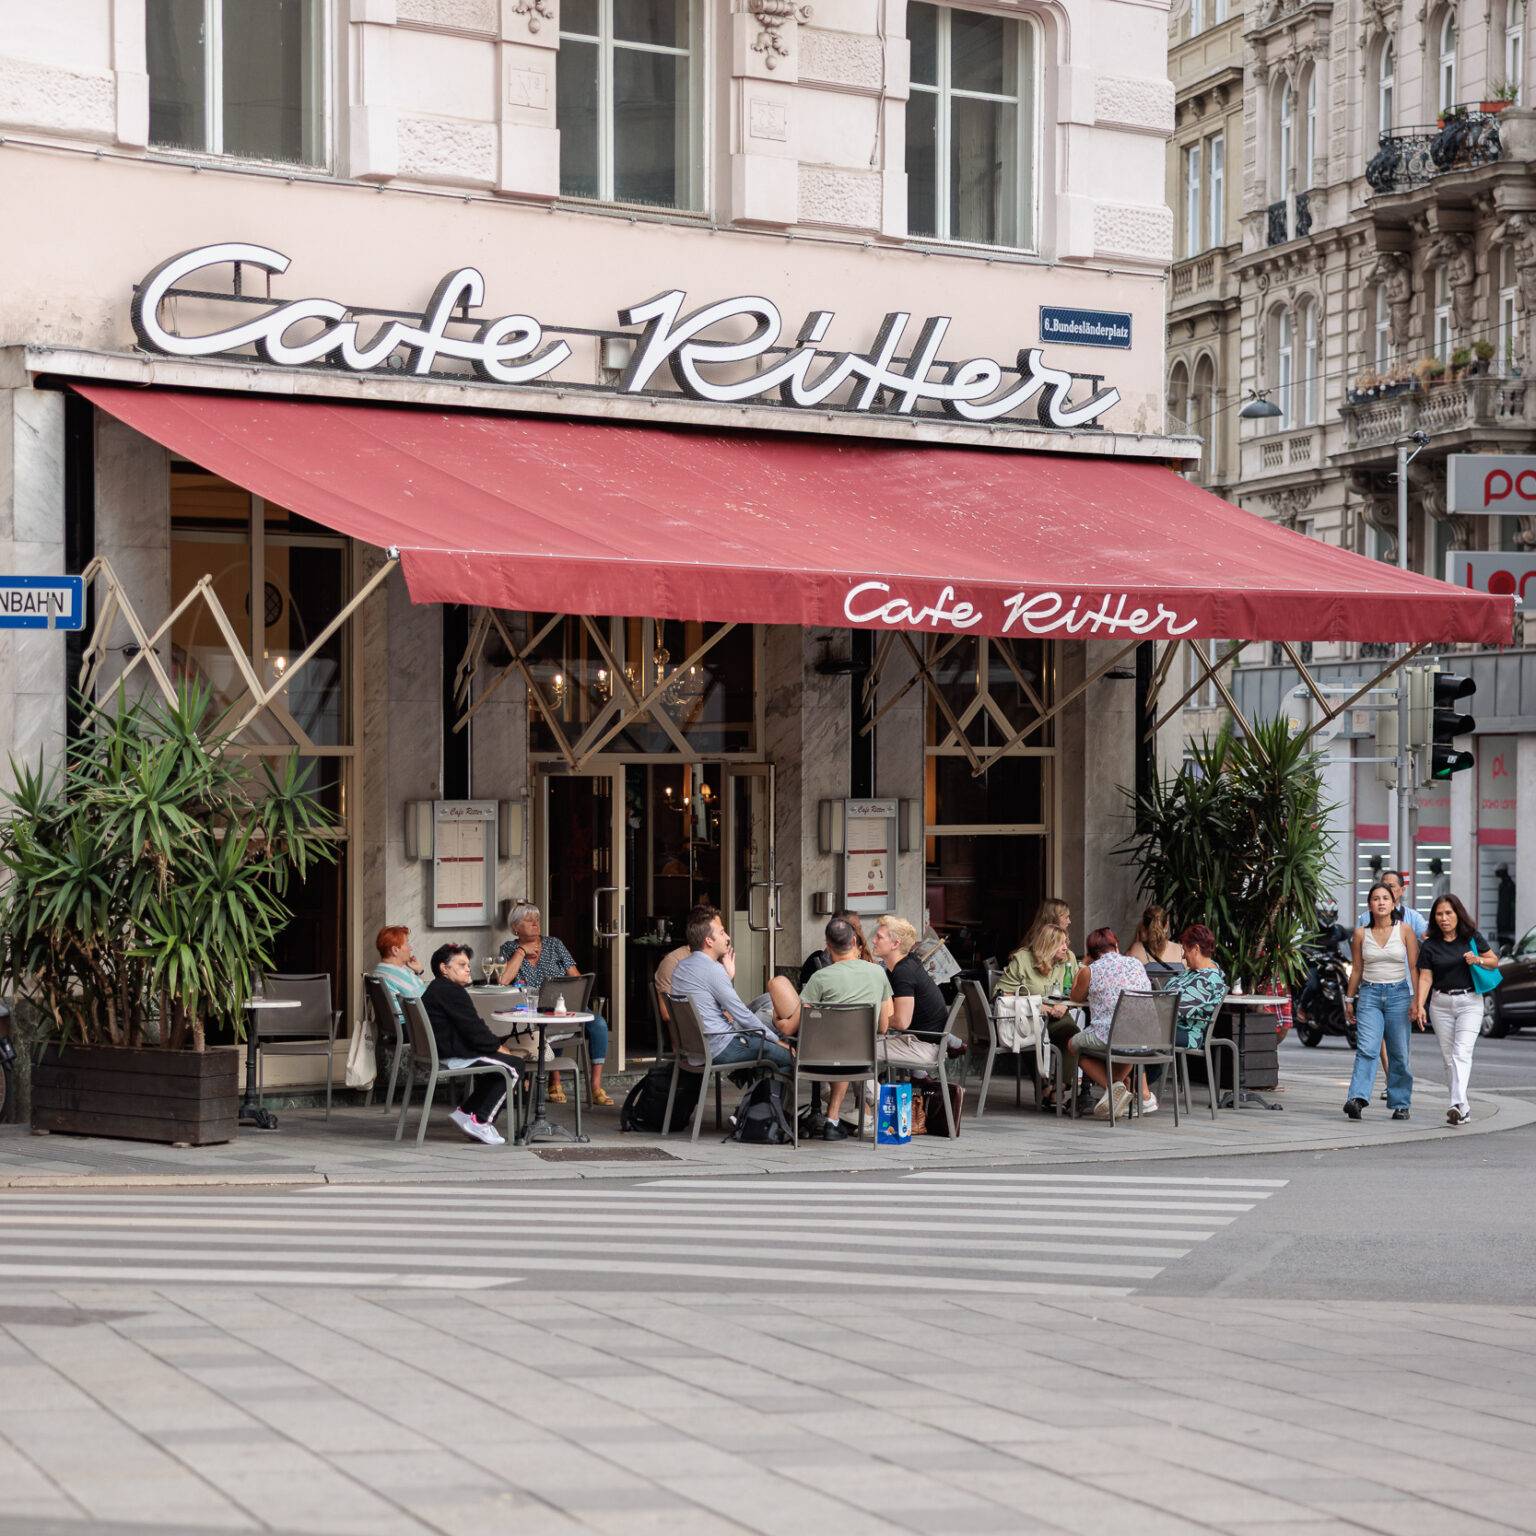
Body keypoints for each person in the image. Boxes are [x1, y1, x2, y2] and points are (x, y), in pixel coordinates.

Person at [497, 900, 612, 1107]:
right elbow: (504, 980)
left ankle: (595, 1086)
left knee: (600, 1025)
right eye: (529, 920)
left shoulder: (554, 944)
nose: (535, 924)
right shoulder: (509, 949)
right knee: (545, 1029)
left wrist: (569, 995)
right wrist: (521, 951)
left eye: (537, 919)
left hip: (564, 1005)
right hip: (532, 1010)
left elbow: (577, 978)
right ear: (515, 928)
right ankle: (554, 1080)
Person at [669, 905, 800, 1069]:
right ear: (708, 941)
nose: (728, 937)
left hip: (696, 1049)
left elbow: (711, 1004)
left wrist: (727, 976)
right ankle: (762, 1093)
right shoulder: (712, 969)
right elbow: (742, 1015)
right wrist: (778, 1042)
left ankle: (756, 1091)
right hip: (721, 1047)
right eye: (722, 932)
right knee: (791, 1058)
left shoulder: (681, 968)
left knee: (766, 1004)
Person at [798, 915, 894, 1139]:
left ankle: (793, 1118)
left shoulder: (819, 978)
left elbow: (801, 1021)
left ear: (828, 946)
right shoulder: (878, 973)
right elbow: (883, 1026)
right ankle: (834, 1120)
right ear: (854, 942)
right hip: (861, 1060)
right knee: (847, 1046)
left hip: (817, 1062)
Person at [420, 943, 522, 1145]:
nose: (468, 969)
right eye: (461, 964)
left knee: (497, 1068)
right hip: (454, 1054)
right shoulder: (452, 992)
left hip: (443, 1050)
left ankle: (466, 1111)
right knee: (514, 1066)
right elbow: (474, 1030)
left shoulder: (436, 988)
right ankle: (481, 1121)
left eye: (468, 964)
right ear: (444, 968)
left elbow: (472, 1029)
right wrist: (498, 1047)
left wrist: (494, 1048)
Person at [1414, 893, 1499, 1126]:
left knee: (1461, 1053)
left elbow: (1494, 960)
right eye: (1439, 914)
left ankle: (1455, 1104)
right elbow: (1425, 977)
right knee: (1448, 1058)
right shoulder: (1430, 945)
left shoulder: (1471, 937)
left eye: (1448, 913)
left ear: (1457, 914)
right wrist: (1420, 1004)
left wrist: (1477, 960)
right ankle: (1463, 1107)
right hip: (1440, 1004)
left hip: (1470, 1002)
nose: (1444, 918)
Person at [1342, 883, 1421, 1121]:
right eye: (1376, 899)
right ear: (1370, 905)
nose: (1381, 902)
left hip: (1399, 995)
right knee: (1367, 1048)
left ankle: (1400, 1103)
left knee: (1398, 1051)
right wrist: (1349, 999)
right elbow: (1357, 969)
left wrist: (1417, 1000)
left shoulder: (1405, 930)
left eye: (1385, 898)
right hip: (1369, 995)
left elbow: (1414, 967)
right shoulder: (1360, 934)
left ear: (1393, 903)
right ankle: (1357, 1099)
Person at [1065, 928, 1152, 1119]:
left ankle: (1113, 1088)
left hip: (1109, 1034)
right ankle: (1117, 1088)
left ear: (1091, 953)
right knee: (1128, 1045)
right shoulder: (1136, 964)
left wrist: (1084, 966)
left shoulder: (1091, 970)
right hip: (1145, 1035)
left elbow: (1075, 997)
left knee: (1073, 1046)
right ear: (1117, 946)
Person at [995, 922, 1081, 1112]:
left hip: (1058, 1015)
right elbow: (1001, 993)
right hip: (1029, 1018)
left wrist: (1064, 1004)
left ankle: (1059, 1088)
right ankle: (1043, 1086)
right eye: (1061, 944)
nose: (1066, 947)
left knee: (1073, 1035)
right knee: (1031, 1035)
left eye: (1066, 942)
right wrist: (1036, 1005)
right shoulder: (1023, 960)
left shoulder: (1069, 959)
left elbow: (1077, 990)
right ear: (1047, 945)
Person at [871, 915, 947, 1072]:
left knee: (857, 1052)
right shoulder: (908, 962)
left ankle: (872, 1096)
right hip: (920, 1041)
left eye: (879, 937)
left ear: (895, 944)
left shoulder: (903, 972)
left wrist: (868, 1021)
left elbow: (901, 1022)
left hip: (923, 1047)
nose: (873, 941)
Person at [800, 910, 871, 984]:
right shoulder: (820, 964)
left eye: (859, 928)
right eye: (856, 928)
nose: (860, 933)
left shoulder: (863, 956)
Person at [373, 925, 428, 1016]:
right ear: (395, 950)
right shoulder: (397, 974)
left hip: (398, 1025)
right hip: (411, 1026)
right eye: (407, 944)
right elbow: (427, 999)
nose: (411, 948)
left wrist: (419, 971)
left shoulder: (380, 970)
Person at [1496, 864, 1517, 951]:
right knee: (1501, 941)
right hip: (1502, 920)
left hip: (1507, 922)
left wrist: (1509, 921)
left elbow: (1510, 905)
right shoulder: (1503, 885)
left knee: (1506, 943)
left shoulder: (1509, 885)